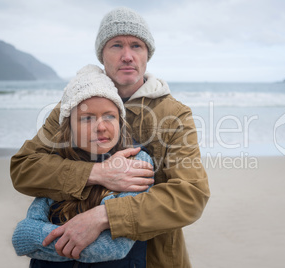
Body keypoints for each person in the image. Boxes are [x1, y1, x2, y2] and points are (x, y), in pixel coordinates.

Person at [11, 6, 210, 267]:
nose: (127, 56)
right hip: (66, 256)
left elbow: (190, 195)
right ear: (101, 54)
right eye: (116, 45)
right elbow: (24, 167)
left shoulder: (173, 115)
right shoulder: (71, 106)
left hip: (152, 259)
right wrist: (95, 173)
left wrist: (105, 216)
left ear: (147, 55)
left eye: (136, 46)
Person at [12, 64, 153, 267]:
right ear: (69, 128)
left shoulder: (137, 162)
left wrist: (45, 241)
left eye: (109, 116)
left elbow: (112, 248)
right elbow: (21, 239)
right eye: (87, 118)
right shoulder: (57, 164)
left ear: (120, 122)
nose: (101, 127)